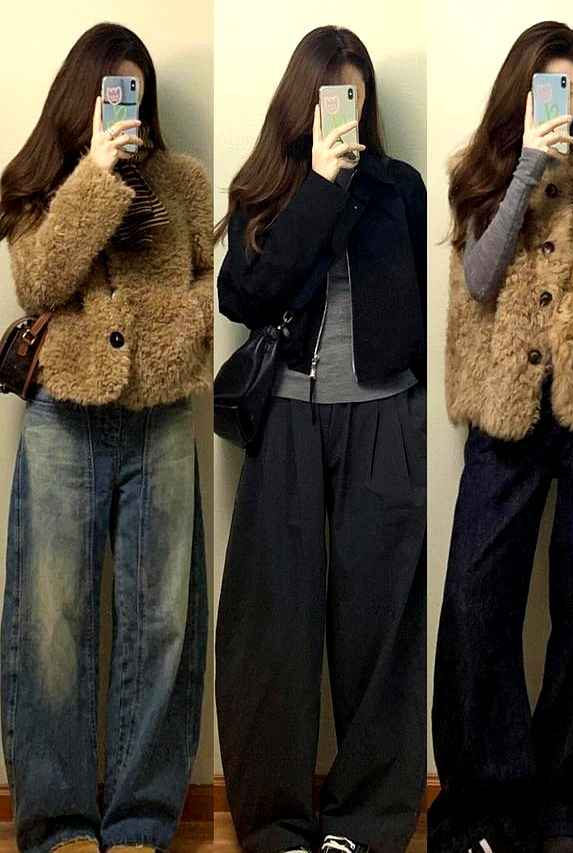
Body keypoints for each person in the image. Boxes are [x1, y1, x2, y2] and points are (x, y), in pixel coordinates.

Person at [0, 22, 212, 853]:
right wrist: (93, 173)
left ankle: (139, 823)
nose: (126, 105)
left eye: (134, 91)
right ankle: (57, 826)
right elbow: (40, 281)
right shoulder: (38, 182)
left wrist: (183, 328)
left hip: (160, 418)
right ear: (80, 98)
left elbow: (208, 283)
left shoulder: (182, 181)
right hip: (63, 418)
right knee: (51, 624)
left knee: (162, 623)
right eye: (110, 91)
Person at [214, 24, 427, 853]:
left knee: (380, 623)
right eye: (330, 94)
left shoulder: (399, 188)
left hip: (383, 418)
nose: (345, 108)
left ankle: (364, 825)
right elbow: (245, 296)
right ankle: (276, 826)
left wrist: (414, 411)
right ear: (302, 102)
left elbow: (419, 306)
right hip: (288, 420)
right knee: (272, 623)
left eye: (355, 94)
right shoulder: (265, 189)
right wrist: (318, 188)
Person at [429, 21, 573, 853]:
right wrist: (525, 166)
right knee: (477, 603)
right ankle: (488, 810)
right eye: (550, 87)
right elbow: (479, 281)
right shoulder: (480, 170)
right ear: (522, 89)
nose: (564, 103)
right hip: (506, 412)